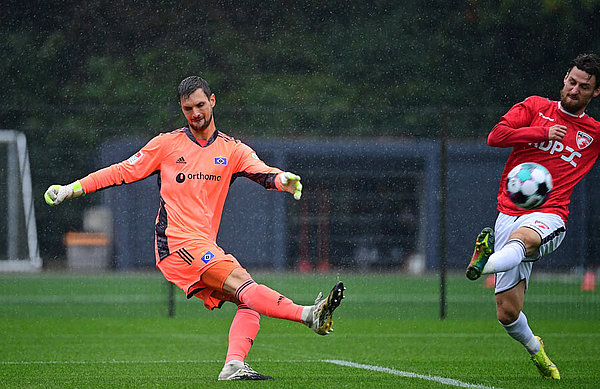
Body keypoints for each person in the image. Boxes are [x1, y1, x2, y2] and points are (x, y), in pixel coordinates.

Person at [44, 76, 345, 381]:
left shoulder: (233, 149)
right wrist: (72, 189)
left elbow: (262, 172)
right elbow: (121, 171)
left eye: (200, 105)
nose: (195, 113)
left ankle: (234, 365)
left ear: (212, 101)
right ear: (182, 109)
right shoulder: (167, 144)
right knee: (244, 283)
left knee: (249, 298)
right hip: (175, 244)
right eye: (188, 108)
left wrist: (282, 179)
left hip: (203, 245)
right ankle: (309, 315)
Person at [465, 53, 600, 380]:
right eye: (571, 81)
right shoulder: (535, 107)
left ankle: (485, 261)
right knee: (507, 313)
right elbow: (495, 137)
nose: (574, 90)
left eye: (583, 87)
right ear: (564, 79)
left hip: (550, 215)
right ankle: (536, 351)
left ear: (595, 93)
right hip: (509, 212)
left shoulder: (594, 133)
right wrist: (539, 134)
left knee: (522, 240)